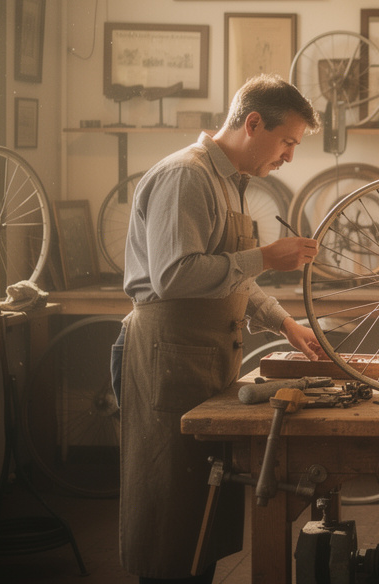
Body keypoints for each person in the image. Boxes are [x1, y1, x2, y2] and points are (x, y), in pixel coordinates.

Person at [114, 75, 326, 584]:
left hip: (203, 358)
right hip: (170, 357)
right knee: (170, 512)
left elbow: (230, 274)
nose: (289, 157)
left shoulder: (228, 180)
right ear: (253, 123)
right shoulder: (187, 176)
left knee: (200, 509)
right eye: (287, 142)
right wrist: (266, 257)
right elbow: (175, 275)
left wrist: (284, 322)